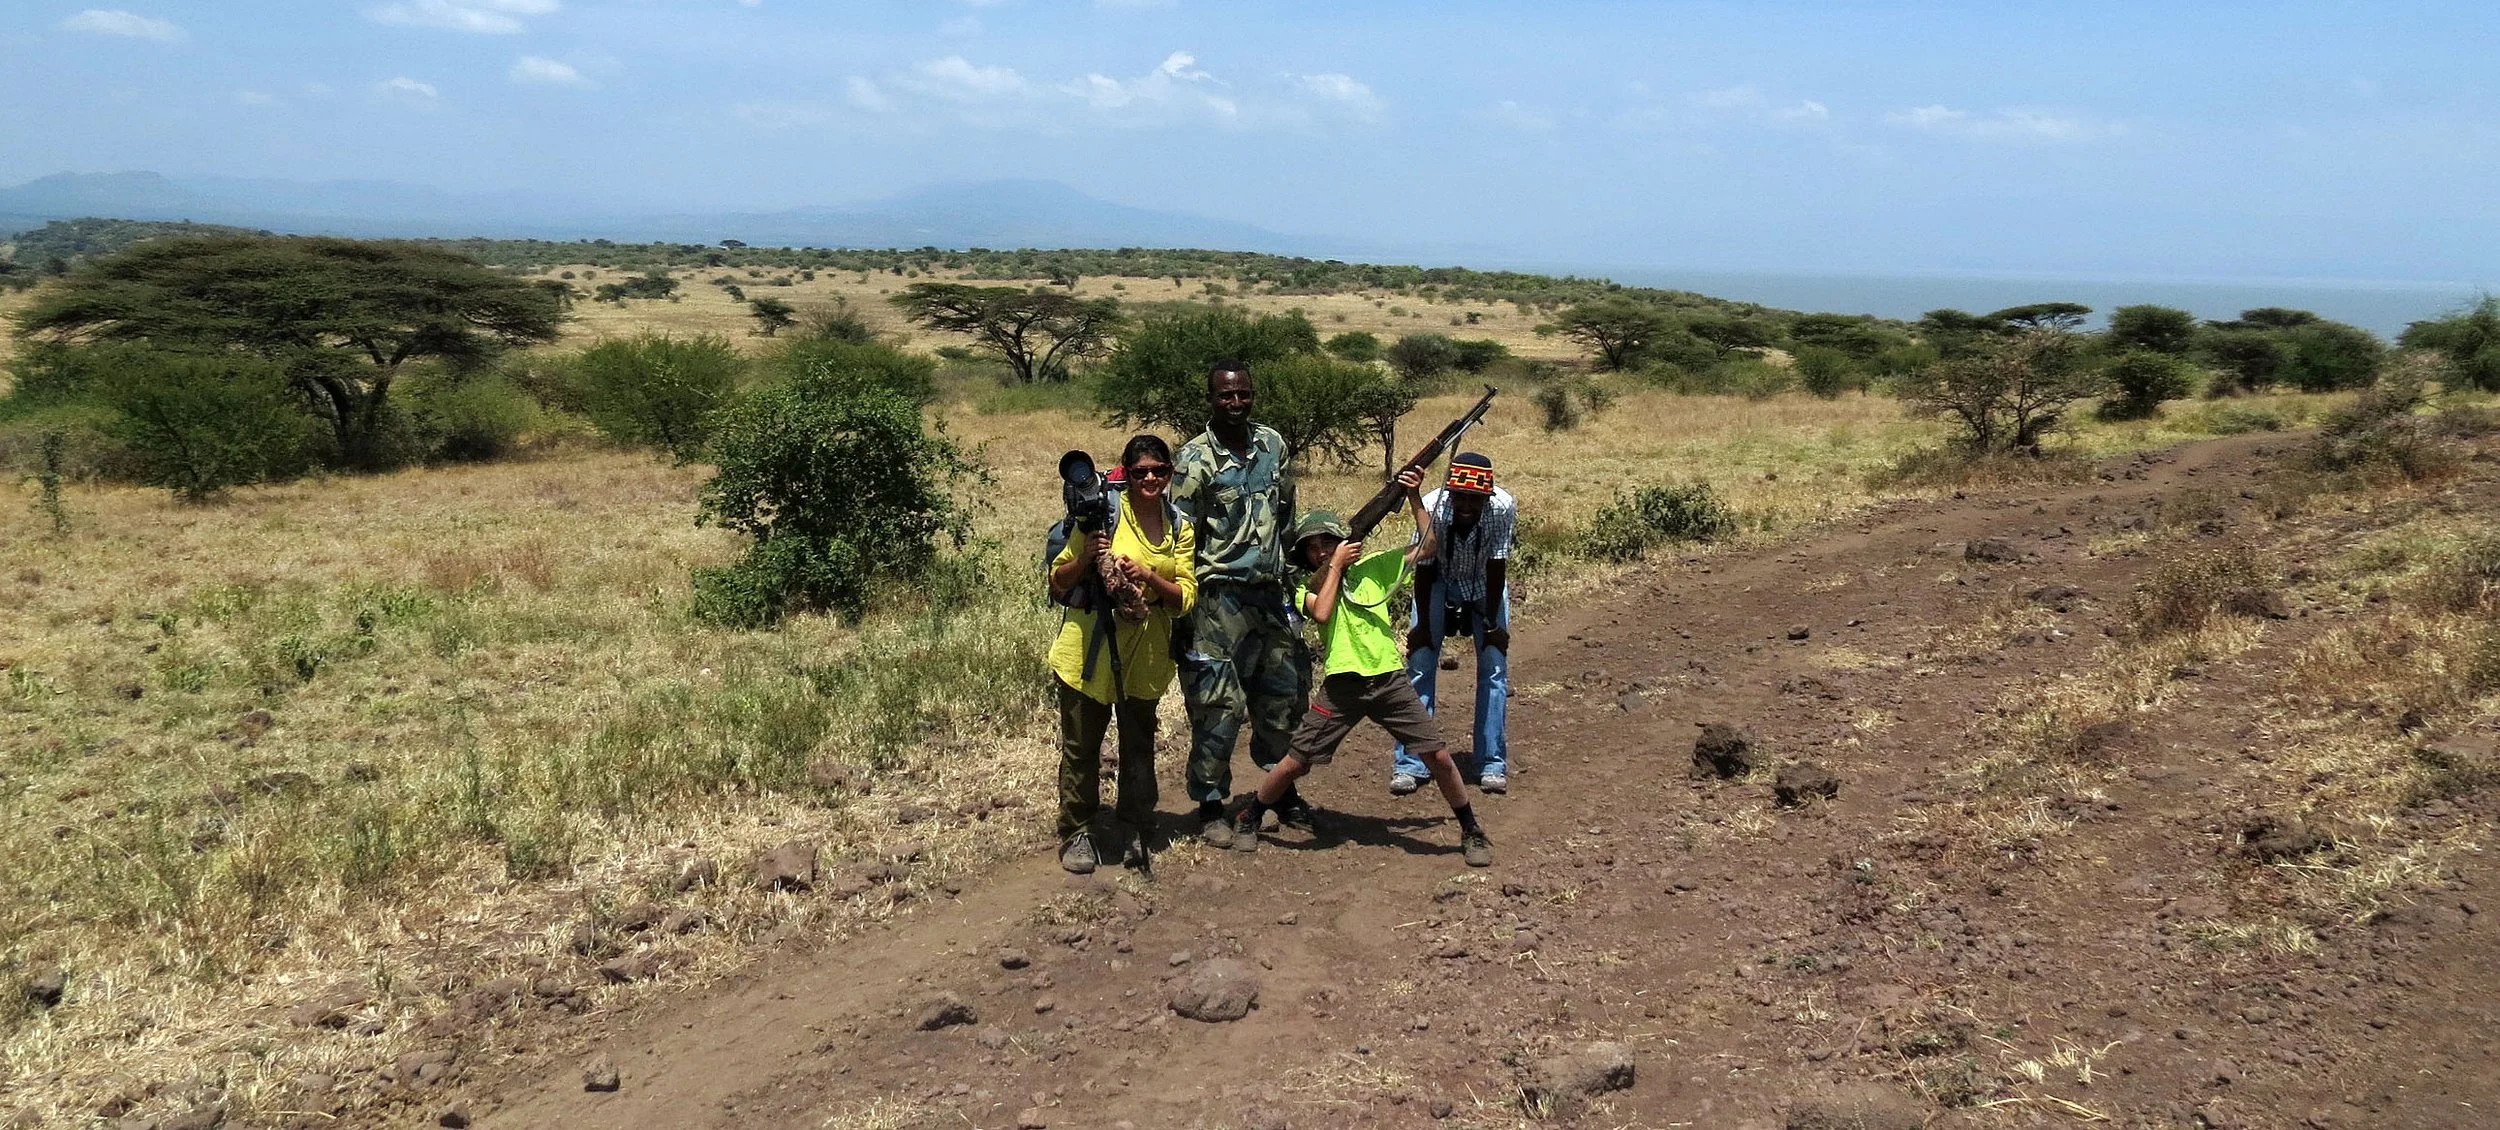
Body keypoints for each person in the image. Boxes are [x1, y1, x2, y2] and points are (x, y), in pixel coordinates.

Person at [1231, 469, 1494, 868]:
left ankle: (1470, 826)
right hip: (1342, 685)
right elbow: (1321, 612)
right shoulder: (1308, 587)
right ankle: (1251, 814)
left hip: (1388, 677)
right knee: (1297, 761)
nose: (1322, 551)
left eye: (1329, 543)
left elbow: (1428, 547)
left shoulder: (1373, 567)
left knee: (1437, 757)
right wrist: (1335, 565)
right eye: (1314, 548)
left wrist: (1413, 496)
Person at [1171, 361, 1313, 847]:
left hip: (1271, 596)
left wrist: (1297, 588)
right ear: (1210, 399)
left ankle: (1279, 791)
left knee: (1281, 697)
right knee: (1216, 705)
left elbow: (1288, 518)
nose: (1235, 403)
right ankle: (1211, 803)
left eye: (1243, 394)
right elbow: (1181, 539)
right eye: (1225, 395)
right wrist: (1182, 615)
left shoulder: (1273, 445)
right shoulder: (1192, 460)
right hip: (1217, 600)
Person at [1046, 435, 1196, 873]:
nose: (1150, 478)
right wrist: (1088, 558)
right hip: (1086, 652)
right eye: (1140, 471)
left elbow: (1185, 596)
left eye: (1159, 470)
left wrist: (1148, 575)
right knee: (1081, 749)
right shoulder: (1102, 517)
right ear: (1125, 475)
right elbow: (1059, 581)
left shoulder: (1180, 526)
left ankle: (1134, 823)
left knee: (1138, 746)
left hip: (1147, 653)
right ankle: (1077, 832)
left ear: (1170, 474)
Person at [1392, 452, 1517, 795]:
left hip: (1482, 581)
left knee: (1494, 668)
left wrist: (1492, 623)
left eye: (1473, 499)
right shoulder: (1434, 507)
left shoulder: (1502, 508)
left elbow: (1496, 565)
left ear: (1485, 498)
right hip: (1438, 580)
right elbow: (1425, 565)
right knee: (1419, 664)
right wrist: (1422, 628)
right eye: (1459, 496)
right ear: (1449, 494)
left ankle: (1491, 762)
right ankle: (1410, 763)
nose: (1465, 505)